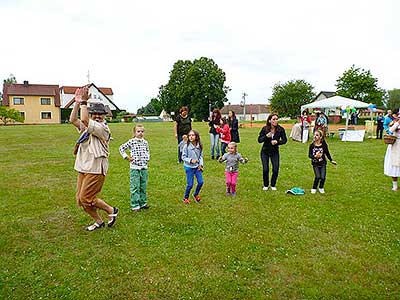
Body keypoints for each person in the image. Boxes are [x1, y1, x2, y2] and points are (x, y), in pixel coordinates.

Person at [69, 86, 118, 231]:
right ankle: (98, 221)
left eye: (100, 114)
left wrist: (84, 102)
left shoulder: (102, 128)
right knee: (80, 200)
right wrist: (77, 102)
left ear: (104, 116)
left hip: (96, 168)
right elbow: (73, 119)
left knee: (86, 198)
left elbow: (83, 119)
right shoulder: (86, 128)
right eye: (94, 114)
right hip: (83, 167)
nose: (97, 116)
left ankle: (111, 210)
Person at [119, 124, 150, 212]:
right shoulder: (132, 141)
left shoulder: (145, 142)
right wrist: (126, 157)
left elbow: (147, 151)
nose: (140, 133)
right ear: (134, 132)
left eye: (142, 131)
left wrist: (147, 158)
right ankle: (135, 205)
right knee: (135, 186)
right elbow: (121, 148)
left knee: (143, 186)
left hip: (144, 167)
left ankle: (143, 203)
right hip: (135, 168)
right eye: (138, 131)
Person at [258, 113, 287, 191]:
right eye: (274, 119)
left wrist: (277, 142)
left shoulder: (280, 129)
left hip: (274, 152)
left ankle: (273, 184)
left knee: (275, 169)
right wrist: (266, 137)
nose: (275, 121)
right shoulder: (265, 129)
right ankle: (266, 185)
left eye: (277, 119)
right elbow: (259, 140)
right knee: (265, 169)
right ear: (269, 120)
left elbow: (284, 140)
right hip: (265, 151)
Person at [308, 130, 337, 194]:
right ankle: (314, 188)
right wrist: (315, 156)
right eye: (314, 135)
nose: (315, 136)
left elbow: (327, 153)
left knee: (323, 177)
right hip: (315, 163)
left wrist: (331, 160)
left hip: (323, 163)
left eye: (317, 135)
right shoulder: (312, 145)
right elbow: (309, 155)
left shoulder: (324, 144)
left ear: (321, 137)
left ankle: (321, 187)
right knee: (318, 176)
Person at [181, 130, 204, 204]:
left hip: (197, 167)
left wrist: (200, 164)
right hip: (189, 167)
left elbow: (200, 156)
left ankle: (195, 194)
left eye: (193, 135)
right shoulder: (186, 146)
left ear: (196, 137)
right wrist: (190, 160)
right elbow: (183, 157)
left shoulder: (199, 145)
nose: (191, 137)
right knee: (190, 184)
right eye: (189, 135)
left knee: (201, 182)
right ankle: (186, 198)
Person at [384, 109, 400, 191]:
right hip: (395, 145)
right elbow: (390, 130)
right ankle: (395, 185)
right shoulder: (394, 122)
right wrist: (397, 123)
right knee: (394, 164)